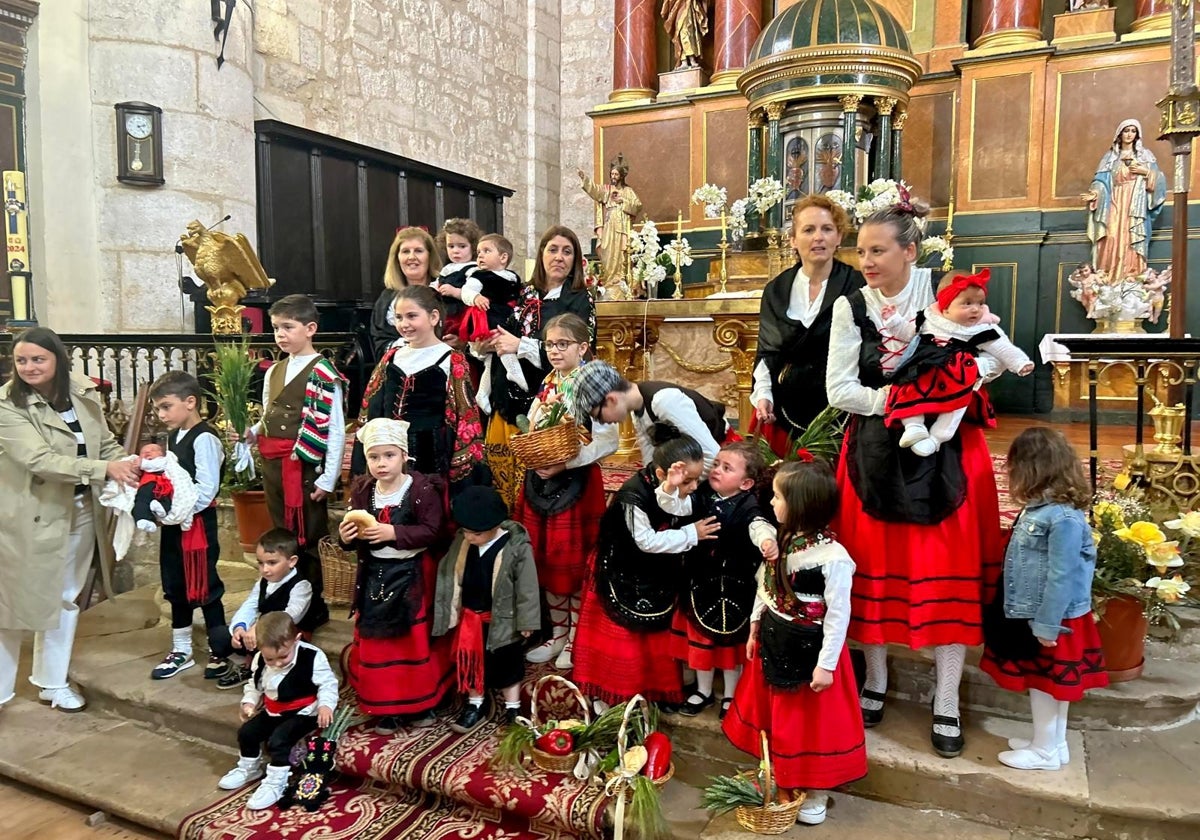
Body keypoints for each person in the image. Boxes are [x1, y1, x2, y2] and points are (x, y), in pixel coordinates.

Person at [825, 197, 1003, 758]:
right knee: (872, 573)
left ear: (910, 250)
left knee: (946, 571)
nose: (867, 260)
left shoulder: (945, 292)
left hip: (949, 455)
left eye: (878, 250)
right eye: (862, 250)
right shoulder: (850, 306)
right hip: (873, 452)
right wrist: (904, 400)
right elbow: (839, 390)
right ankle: (875, 681)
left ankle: (946, 699)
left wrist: (950, 390)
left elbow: (992, 356)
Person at [0, 327, 138, 712]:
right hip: (28, 516)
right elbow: (39, 460)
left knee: (64, 598)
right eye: (21, 360)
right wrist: (104, 469)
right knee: (9, 606)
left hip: (78, 511)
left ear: (57, 359)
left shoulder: (81, 392)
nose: (29, 367)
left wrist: (129, 461)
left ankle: (52, 682)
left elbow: (104, 442)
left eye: (38, 359)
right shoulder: (7, 405)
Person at [723, 459, 867, 826]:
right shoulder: (783, 540)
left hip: (810, 655)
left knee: (809, 726)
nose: (771, 503)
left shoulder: (833, 559)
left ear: (800, 504)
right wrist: (755, 625)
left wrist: (827, 664)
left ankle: (815, 790)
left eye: (777, 496)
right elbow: (767, 584)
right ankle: (779, 775)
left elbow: (838, 617)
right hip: (774, 642)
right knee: (777, 720)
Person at [980, 428, 1108, 771]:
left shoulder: (1062, 517)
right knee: (1051, 687)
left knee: (1046, 687)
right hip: (1042, 615)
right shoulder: (1041, 510)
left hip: (1054, 618)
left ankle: (1044, 751)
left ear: (1032, 468)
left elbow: (1062, 575)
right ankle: (1054, 742)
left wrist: (1047, 624)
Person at [572, 435, 720, 710]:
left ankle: (656, 690)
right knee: (625, 641)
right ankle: (615, 696)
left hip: (654, 569)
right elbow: (647, 541)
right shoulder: (632, 496)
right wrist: (692, 533)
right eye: (689, 481)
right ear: (662, 472)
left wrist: (674, 490)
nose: (694, 486)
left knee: (656, 636)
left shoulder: (669, 484)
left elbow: (680, 507)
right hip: (622, 568)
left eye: (697, 479)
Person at [514, 313, 618, 669]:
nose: (555, 351)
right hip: (542, 479)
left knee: (571, 566)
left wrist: (566, 463)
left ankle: (575, 637)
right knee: (545, 559)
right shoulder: (548, 381)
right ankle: (557, 634)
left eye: (563, 344)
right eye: (549, 344)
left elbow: (609, 442)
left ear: (583, 346)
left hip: (575, 483)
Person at [339, 417, 451, 734]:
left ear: (404, 456)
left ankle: (422, 703)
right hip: (375, 575)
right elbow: (352, 535)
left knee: (411, 642)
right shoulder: (363, 492)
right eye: (374, 457)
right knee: (380, 644)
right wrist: (346, 539)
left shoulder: (420, 490)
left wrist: (392, 531)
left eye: (389, 455)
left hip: (412, 574)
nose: (381, 464)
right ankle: (386, 706)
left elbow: (432, 531)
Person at [243, 294, 343, 630]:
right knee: (282, 535)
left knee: (309, 537)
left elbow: (335, 430)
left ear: (310, 328)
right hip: (273, 464)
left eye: (288, 327)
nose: (281, 335)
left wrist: (328, 478)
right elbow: (271, 412)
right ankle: (287, 598)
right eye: (276, 328)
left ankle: (313, 604)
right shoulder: (275, 370)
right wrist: (254, 432)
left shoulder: (324, 372)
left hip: (303, 466)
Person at [479, 225, 596, 508]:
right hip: (508, 396)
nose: (559, 257)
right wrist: (483, 341)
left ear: (575, 260)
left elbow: (581, 353)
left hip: (550, 403)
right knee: (503, 476)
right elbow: (504, 328)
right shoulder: (525, 292)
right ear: (541, 254)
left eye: (567, 251)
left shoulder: (581, 298)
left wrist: (521, 346)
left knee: (537, 482)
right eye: (552, 249)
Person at [752, 195, 865, 456]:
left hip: (841, 410)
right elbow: (767, 352)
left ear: (838, 237)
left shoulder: (857, 286)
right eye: (808, 230)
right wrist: (763, 394)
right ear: (793, 239)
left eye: (827, 229)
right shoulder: (776, 290)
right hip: (784, 409)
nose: (818, 237)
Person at [671, 441, 774, 720]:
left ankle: (731, 693)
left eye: (727, 468)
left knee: (730, 645)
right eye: (716, 464)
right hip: (699, 583)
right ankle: (704, 691)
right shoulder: (701, 493)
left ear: (746, 483)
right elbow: (676, 507)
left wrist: (766, 540)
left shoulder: (749, 506)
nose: (716, 470)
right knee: (701, 641)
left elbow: (758, 526)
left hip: (734, 587)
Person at [883, 268, 1034, 457]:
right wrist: (894, 321)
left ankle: (937, 438)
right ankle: (914, 426)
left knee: (957, 403)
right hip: (924, 368)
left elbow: (1002, 348)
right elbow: (908, 334)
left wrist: (1020, 362)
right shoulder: (929, 319)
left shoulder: (981, 329)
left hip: (956, 375)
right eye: (967, 303)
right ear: (946, 307)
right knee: (905, 389)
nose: (975, 309)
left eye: (980, 303)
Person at [355, 285, 485, 497]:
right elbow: (371, 405)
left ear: (434, 317)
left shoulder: (451, 359)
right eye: (398, 317)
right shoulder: (391, 357)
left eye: (411, 316)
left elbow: (466, 416)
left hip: (431, 454)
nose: (404, 324)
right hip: (389, 455)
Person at [432, 485, 541, 731]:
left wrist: (527, 621)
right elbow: (449, 575)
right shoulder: (463, 542)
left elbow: (528, 587)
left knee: (508, 666)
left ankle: (513, 709)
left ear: (495, 526)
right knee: (472, 662)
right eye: (466, 531)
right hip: (470, 620)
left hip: (503, 620)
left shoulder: (516, 546)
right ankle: (475, 704)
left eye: (476, 534)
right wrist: (448, 611)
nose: (470, 537)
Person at [147, 371, 232, 681]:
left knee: (205, 587)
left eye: (166, 406)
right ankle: (181, 650)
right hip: (174, 524)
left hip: (196, 526)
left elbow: (205, 489)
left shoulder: (205, 438)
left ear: (190, 402)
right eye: (157, 408)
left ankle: (219, 652)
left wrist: (175, 512)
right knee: (175, 587)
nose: (161, 414)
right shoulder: (174, 437)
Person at [218, 612, 338, 810]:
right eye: (270, 659)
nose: (277, 663)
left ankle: (276, 781)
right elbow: (254, 685)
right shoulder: (260, 659)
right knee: (247, 733)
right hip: (274, 709)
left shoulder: (312, 656)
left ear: (296, 640)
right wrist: (248, 703)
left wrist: (326, 706)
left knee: (279, 739)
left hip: (304, 711)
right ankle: (249, 768)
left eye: (283, 656)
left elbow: (328, 684)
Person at [572, 360, 735, 477]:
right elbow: (651, 461)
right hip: (689, 465)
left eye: (598, 416)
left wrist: (681, 488)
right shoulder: (637, 409)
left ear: (611, 400)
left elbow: (713, 456)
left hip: (723, 464)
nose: (602, 423)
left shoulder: (664, 401)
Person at [214, 528, 317, 690]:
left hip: (286, 637)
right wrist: (240, 627)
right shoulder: (263, 581)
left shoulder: (301, 585)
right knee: (218, 636)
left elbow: (291, 616)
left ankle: (268, 669)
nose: (265, 569)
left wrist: (258, 628)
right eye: (260, 563)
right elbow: (250, 604)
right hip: (261, 635)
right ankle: (247, 667)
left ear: (292, 561)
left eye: (272, 563)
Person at [1084, 118, 1165, 281]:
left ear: (1137, 135)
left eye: (1133, 131)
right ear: (1119, 134)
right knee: (1112, 235)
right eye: (1126, 131)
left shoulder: (1145, 156)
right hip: (1114, 200)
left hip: (1136, 202)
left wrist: (1146, 172)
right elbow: (1101, 181)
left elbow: (1160, 180)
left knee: (1131, 237)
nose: (1129, 134)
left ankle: (1132, 276)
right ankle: (1108, 276)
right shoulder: (1110, 157)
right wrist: (1095, 194)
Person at [466, 234, 535, 417]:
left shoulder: (512, 276)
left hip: (507, 316)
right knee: (502, 345)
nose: (480, 255)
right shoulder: (479, 275)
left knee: (491, 361)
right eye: (478, 252)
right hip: (489, 316)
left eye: (486, 251)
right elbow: (467, 291)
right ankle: (514, 371)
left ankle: (482, 393)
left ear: (503, 258)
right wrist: (475, 297)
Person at [370, 226, 443, 357]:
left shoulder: (445, 290)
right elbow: (379, 343)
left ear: (430, 256)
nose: (411, 257)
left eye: (419, 251)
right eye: (405, 251)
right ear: (397, 258)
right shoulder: (387, 299)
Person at [577, 157, 642, 285]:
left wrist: (623, 201)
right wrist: (585, 178)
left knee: (621, 253)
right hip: (608, 226)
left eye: (616, 174)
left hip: (622, 227)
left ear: (621, 176)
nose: (613, 176)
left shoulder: (628, 191)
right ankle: (609, 280)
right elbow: (595, 190)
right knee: (607, 252)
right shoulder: (606, 190)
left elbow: (638, 206)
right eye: (612, 173)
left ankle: (621, 280)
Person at [432, 217, 482, 343]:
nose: (455, 251)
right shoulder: (447, 268)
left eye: (462, 246)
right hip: (445, 313)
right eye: (451, 246)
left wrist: (455, 292)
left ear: (473, 247)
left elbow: (473, 293)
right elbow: (436, 283)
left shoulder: (473, 269)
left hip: (461, 314)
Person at [660, 0, 708, 69]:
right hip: (679, 7)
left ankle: (690, 59)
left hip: (689, 6)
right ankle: (684, 60)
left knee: (690, 32)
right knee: (681, 32)